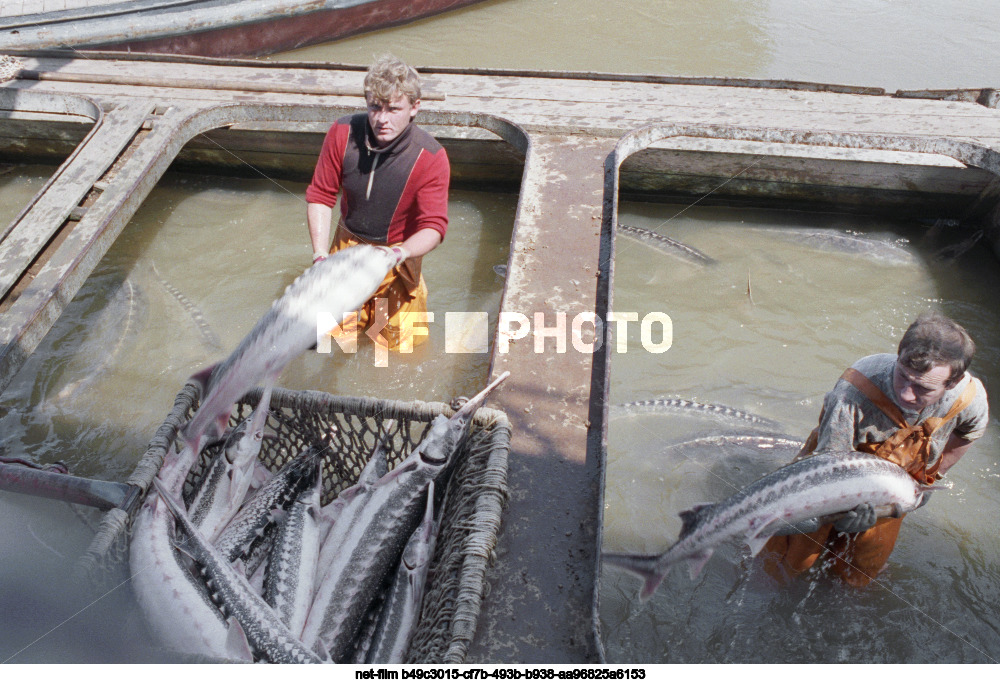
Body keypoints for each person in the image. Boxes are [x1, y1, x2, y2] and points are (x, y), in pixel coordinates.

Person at [762, 312, 989, 587]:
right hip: (831, 471)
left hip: (895, 480)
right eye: (902, 376)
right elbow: (827, 470)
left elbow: (969, 432)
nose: (907, 393)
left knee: (859, 571)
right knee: (789, 559)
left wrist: (929, 478)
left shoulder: (968, 399)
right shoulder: (852, 392)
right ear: (898, 356)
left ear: (951, 383)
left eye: (922, 388)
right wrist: (840, 515)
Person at [305, 54, 449, 351]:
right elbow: (321, 195)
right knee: (337, 340)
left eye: (394, 109)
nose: (382, 119)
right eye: (375, 107)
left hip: (396, 257)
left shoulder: (432, 157)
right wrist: (320, 256)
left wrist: (399, 252)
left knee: (398, 349)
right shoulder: (342, 134)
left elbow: (434, 227)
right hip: (346, 251)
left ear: (414, 108)